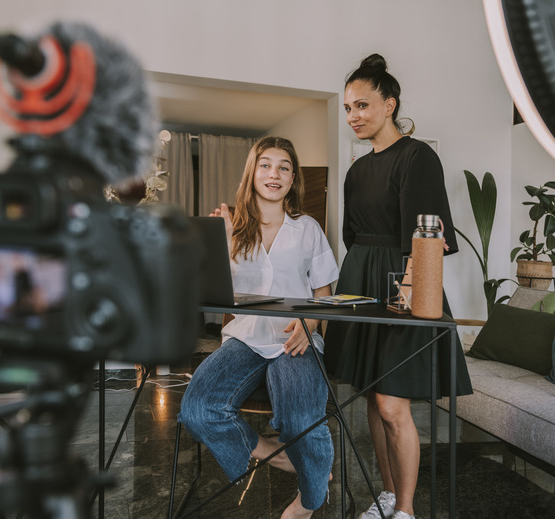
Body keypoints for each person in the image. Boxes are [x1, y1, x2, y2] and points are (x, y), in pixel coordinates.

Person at [324, 54, 473, 519]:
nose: (354, 116)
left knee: (392, 404)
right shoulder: (354, 171)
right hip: (360, 278)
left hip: (403, 285)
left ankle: (406, 510)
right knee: (373, 393)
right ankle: (388, 496)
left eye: (363, 105)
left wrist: (407, 293)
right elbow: (351, 236)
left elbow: (425, 238)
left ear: (390, 104)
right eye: (348, 108)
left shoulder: (417, 157)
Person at [178, 136, 339, 518]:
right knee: (198, 408)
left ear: (293, 178)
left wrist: (310, 322)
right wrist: (223, 242)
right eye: (266, 165)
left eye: (284, 167)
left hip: (294, 338)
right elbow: (217, 291)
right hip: (246, 338)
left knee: (302, 418)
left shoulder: (307, 228)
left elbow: (325, 294)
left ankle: (308, 501)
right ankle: (277, 456)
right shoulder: (231, 228)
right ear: (253, 172)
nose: (274, 173)